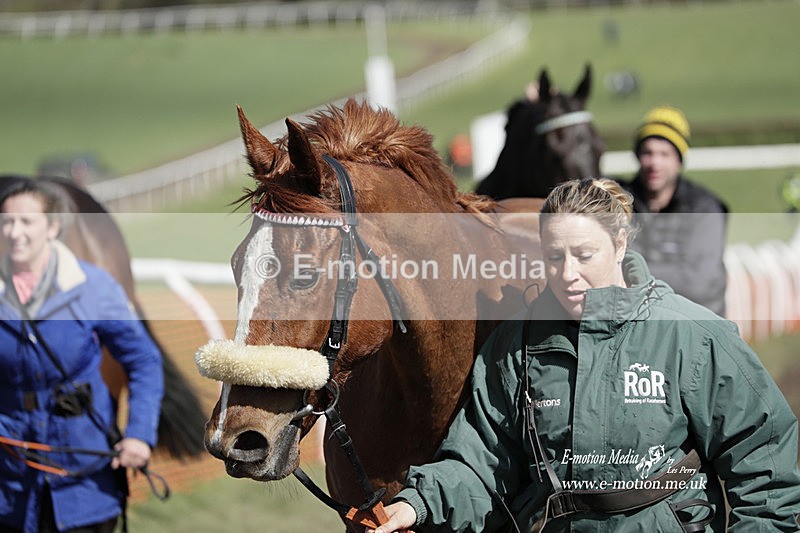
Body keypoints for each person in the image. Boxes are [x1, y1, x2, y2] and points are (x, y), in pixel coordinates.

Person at [369, 178, 800, 532]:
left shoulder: (693, 336)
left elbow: (764, 465)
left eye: (584, 255)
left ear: (620, 245)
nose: (567, 274)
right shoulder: (515, 346)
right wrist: (416, 503)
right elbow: (481, 462)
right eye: (554, 257)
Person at [0, 178, 164, 533]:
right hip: (9, 488)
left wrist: (138, 434)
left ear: (53, 227)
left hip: (86, 486)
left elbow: (144, 361)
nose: (15, 232)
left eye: (27, 221)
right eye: (7, 222)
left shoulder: (96, 288)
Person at [619, 106, 728, 316]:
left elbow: (698, 282)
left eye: (664, 154)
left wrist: (625, 274)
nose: (654, 163)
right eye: (647, 153)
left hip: (695, 327)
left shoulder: (705, 209)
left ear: (679, 161)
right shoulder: (618, 200)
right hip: (636, 324)